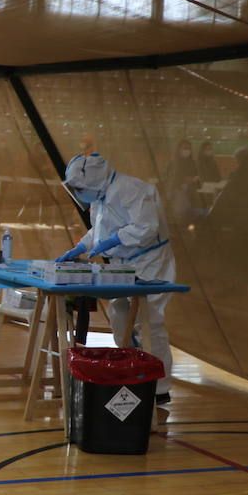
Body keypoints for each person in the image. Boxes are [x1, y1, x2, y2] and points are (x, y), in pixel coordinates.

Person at [57, 152, 175, 405]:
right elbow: (99, 231)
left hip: (150, 261)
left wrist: (115, 239)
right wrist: (81, 246)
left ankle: (159, 388)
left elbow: (146, 227)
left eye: (80, 187)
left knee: (150, 322)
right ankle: (131, 373)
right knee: (120, 315)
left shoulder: (131, 189)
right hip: (123, 264)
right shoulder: (101, 196)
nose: (79, 193)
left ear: (93, 179)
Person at [165, 138, 200, 224]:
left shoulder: (193, 163)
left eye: (188, 148)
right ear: (179, 149)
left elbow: (197, 177)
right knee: (179, 216)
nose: (187, 150)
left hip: (191, 194)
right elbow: (169, 178)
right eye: (184, 148)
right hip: (177, 194)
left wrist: (195, 179)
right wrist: (183, 180)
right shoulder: (173, 163)